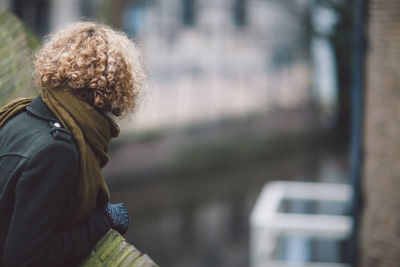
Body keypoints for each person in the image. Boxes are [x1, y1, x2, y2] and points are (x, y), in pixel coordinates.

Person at [0, 21, 145, 266]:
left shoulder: (20, 115)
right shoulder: (57, 152)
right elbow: (24, 259)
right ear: (114, 90)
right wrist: (103, 222)